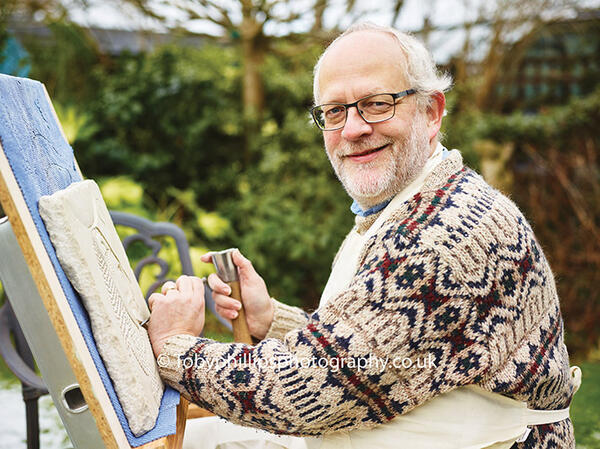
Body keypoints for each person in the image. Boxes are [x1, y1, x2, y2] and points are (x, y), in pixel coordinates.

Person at [147, 22, 581, 448]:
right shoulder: (409, 205)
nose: (352, 129)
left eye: (377, 103)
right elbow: (388, 357)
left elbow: (310, 388)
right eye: (335, 111)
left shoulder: (439, 233)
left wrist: (174, 347)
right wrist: (270, 322)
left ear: (431, 112)